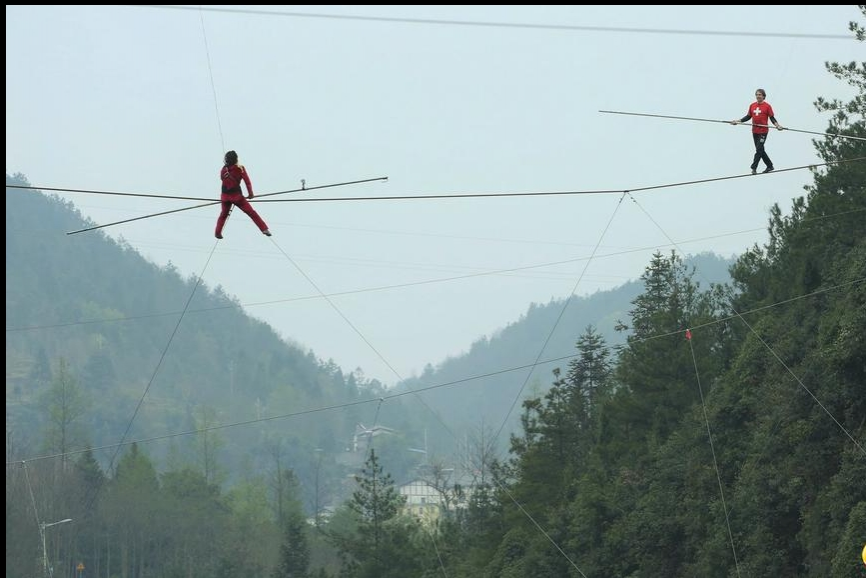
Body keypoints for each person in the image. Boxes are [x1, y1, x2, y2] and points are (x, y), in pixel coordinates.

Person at [214, 150, 272, 239]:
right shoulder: (240, 168)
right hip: (237, 197)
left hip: (225, 197)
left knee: (223, 215)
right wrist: (250, 194)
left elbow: (222, 179)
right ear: (236, 159)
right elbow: (247, 182)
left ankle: (217, 233)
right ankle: (264, 229)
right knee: (251, 213)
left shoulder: (223, 169)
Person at [730, 88, 784, 174]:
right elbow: (748, 117)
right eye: (757, 95)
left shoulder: (767, 106)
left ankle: (754, 168)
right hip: (755, 131)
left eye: (760, 95)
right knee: (760, 150)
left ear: (763, 96)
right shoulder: (752, 105)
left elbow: (772, 118)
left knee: (759, 149)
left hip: (763, 131)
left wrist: (777, 126)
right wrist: (737, 121)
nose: (758, 96)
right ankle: (770, 166)